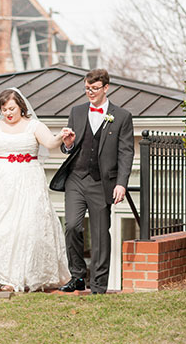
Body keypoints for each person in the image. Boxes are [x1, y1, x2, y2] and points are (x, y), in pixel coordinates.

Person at [0, 87, 71, 292]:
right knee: (5, 228)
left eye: (11, 108)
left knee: (28, 227)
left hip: (29, 180)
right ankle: (9, 277)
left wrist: (61, 135)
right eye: (3, 109)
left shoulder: (34, 126)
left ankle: (27, 275)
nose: (7, 113)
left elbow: (50, 143)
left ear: (20, 107)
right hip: (3, 182)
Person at [50, 69, 134, 294]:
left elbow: (126, 153)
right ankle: (77, 276)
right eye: (87, 88)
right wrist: (67, 144)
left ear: (106, 88)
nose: (90, 92)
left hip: (101, 182)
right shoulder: (76, 112)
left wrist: (121, 183)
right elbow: (68, 147)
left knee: (99, 235)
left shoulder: (122, 116)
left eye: (95, 88)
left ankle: (98, 286)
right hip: (76, 178)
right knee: (72, 227)